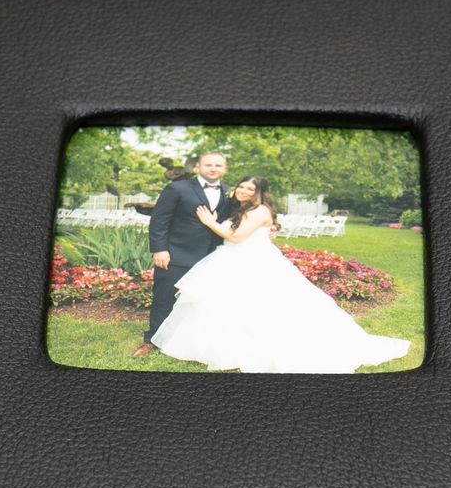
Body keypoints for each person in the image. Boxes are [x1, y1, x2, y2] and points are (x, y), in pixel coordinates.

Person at [150, 176, 412, 373]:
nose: (243, 191)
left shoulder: (261, 211)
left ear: (260, 193)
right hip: (229, 259)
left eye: (250, 189)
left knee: (263, 309)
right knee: (226, 306)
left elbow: (236, 237)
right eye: (241, 186)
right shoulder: (241, 209)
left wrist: (209, 222)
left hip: (252, 262)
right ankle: (219, 345)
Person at [133, 153, 234, 357]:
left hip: (212, 256)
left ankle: (192, 341)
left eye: (218, 165)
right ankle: (152, 340)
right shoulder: (178, 188)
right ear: (198, 167)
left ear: (224, 168)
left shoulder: (228, 191)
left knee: (203, 299)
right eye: (208, 165)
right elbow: (159, 219)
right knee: (165, 296)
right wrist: (160, 249)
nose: (213, 168)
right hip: (176, 252)